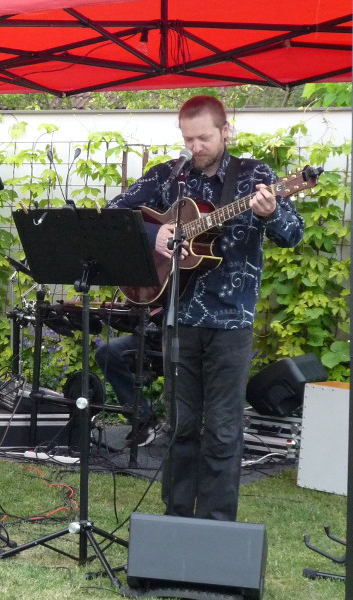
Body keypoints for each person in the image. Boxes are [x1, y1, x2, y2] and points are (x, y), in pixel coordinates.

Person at [107, 96, 304, 520]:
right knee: (180, 424)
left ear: (225, 131)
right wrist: (155, 236)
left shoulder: (256, 176)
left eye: (204, 138)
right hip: (178, 318)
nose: (195, 147)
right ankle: (176, 516)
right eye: (188, 139)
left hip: (232, 320)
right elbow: (113, 215)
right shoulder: (168, 176)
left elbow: (293, 235)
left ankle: (216, 523)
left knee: (223, 428)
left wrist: (271, 213)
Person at [94, 308, 163, 448]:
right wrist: (114, 316)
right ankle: (144, 419)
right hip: (149, 340)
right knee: (107, 352)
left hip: (183, 338)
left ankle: (189, 434)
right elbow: (134, 323)